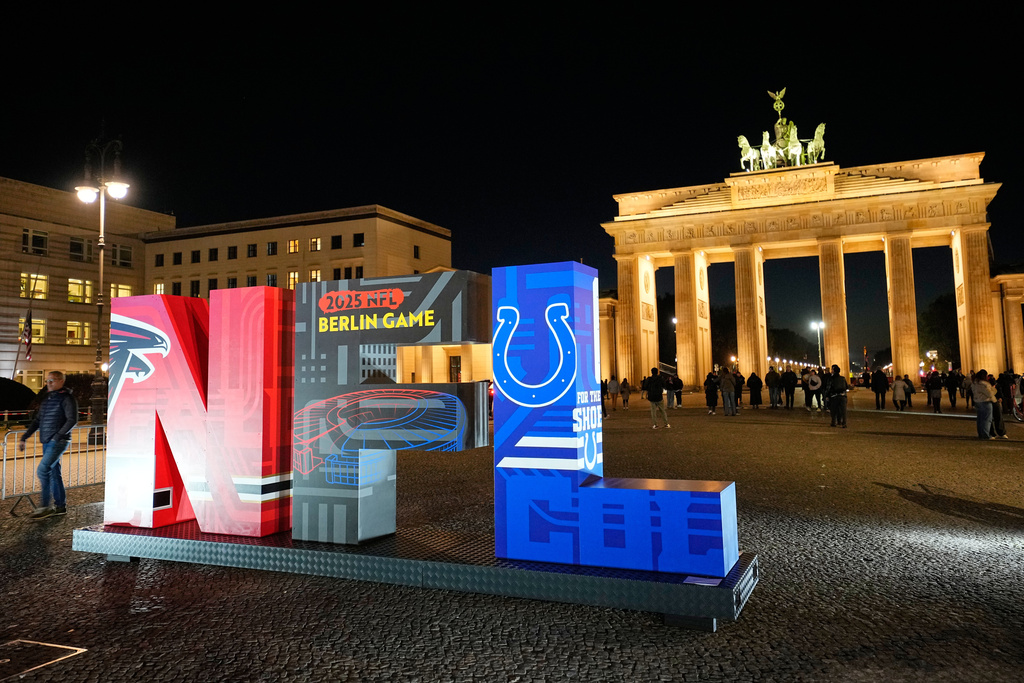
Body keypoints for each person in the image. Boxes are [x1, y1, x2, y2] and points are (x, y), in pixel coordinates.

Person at [19, 371, 78, 519]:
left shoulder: (67, 398)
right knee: (53, 472)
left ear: (61, 381)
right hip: (47, 441)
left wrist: (57, 437)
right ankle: (60, 506)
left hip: (57, 441)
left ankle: (45, 506)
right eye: (47, 381)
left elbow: (72, 420)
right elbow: (38, 420)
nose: (48, 383)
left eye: (52, 380)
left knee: (43, 470)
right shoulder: (47, 399)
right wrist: (25, 436)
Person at [972, 370, 996, 440]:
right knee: (987, 419)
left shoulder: (975, 383)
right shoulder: (984, 384)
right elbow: (989, 394)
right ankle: (985, 435)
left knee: (980, 419)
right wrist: (993, 390)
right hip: (985, 402)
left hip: (978, 402)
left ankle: (981, 434)